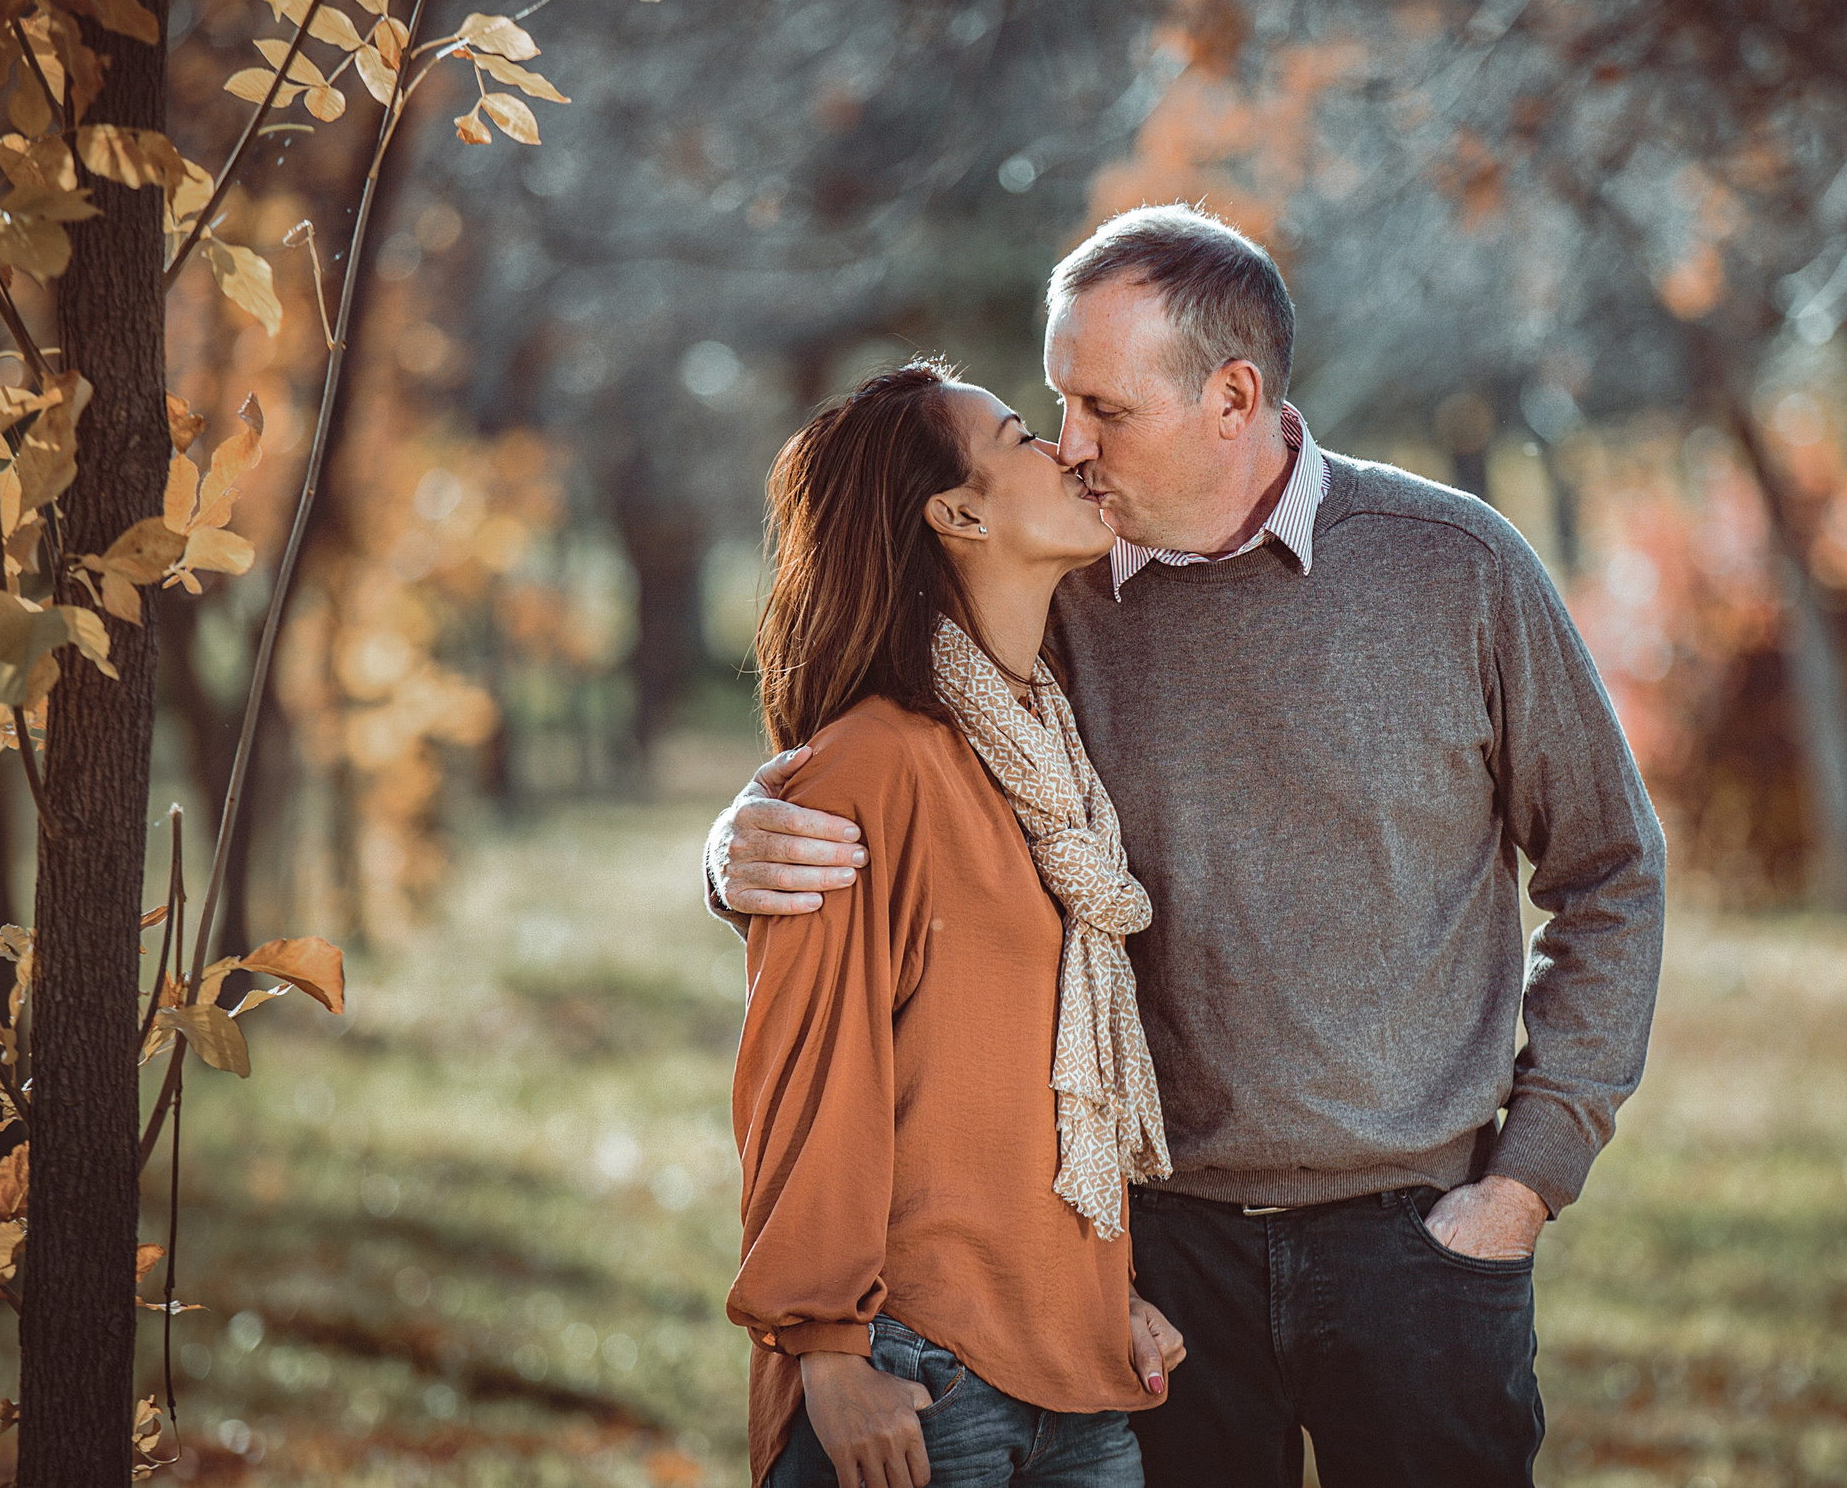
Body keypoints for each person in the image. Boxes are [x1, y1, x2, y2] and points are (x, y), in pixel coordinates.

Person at [710, 205, 1667, 1487]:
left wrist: (1525, 1182)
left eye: (1104, 409)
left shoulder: (1457, 571)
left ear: (1233, 396)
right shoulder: (1053, 603)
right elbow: (883, 764)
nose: (1071, 446)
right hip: (1156, 1258)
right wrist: (734, 852)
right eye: (1055, 408)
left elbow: (1612, 873)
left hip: (1419, 1245)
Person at [724, 363, 1190, 1488]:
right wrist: (827, 1353)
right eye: (1026, 436)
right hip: (915, 1383)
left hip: (1081, 1385)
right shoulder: (869, 768)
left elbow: (1014, 1085)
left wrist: (1100, 1298)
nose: (1069, 451)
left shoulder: (1055, 765)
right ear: (959, 510)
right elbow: (808, 1076)